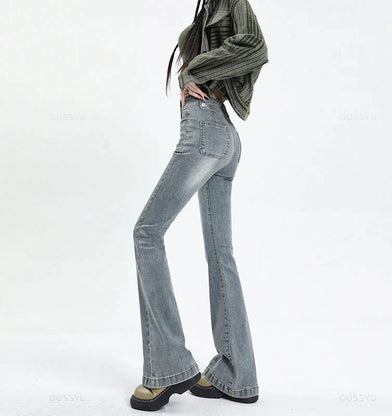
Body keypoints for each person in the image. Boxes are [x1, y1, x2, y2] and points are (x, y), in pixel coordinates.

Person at [130, 0, 269, 411]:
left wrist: (193, 71)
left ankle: (169, 367)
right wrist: (190, 77)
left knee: (147, 233)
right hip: (221, 134)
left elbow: (255, 45)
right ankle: (236, 375)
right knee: (220, 253)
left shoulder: (231, 3)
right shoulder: (203, 15)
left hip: (209, 126)